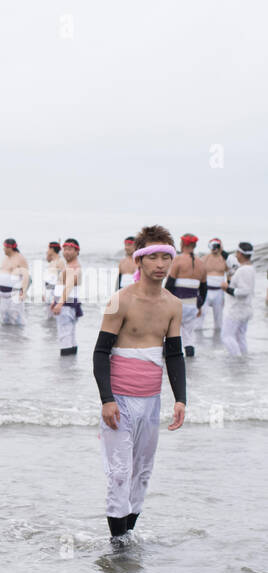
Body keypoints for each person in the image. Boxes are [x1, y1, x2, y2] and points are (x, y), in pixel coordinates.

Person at [92, 224, 186, 541]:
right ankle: (118, 545)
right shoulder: (121, 300)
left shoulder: (173, 304)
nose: (160, 264)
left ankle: (127, 536)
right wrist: (107, 400)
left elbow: (174, 355)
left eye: (166, 257)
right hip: (119, 399)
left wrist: (180, 399)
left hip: (151, 400)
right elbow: (100, 352)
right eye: (153, 257)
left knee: (142, 473)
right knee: (119, 473)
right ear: (139, 260)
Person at [165, 233, 205, 357]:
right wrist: (199, 306)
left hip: (177, 304)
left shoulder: (178, 260)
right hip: (192, 304)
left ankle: (169, 364)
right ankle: (190, 364)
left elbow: (170, 284)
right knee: (189, 337)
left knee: (170, 333)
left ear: (182, 244)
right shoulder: (201, 263)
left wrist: (164, 301)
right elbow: (204, 289)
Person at [222, 242, 257, 356]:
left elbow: (244, 291)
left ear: (241, 254)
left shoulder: (243, 270)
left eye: (237, 252)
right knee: (240, 336)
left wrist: (227, 289)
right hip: (245, 309)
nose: (236, 255)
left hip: (237, 310)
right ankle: (243, 360)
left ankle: (236, 360)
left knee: (226, 336)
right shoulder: (249, 268)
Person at [52, 238, 84, 355]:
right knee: (69, 335)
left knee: (65, 337)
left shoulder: (74, 267)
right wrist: (54, 301)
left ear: (77, 251)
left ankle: (65, 369)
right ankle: (70, 368)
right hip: (65, 303)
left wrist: (59, 303)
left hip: (66, 305)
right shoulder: (69, 265)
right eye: (64, 249)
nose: (66, 252)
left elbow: (69, 286)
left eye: (70, 249)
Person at [0, 238, 29, 325]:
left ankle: (19, 337)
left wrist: (23, 292)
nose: (3, 249)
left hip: (15, 293)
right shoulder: (5, 258)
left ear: (9, 247)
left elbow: (26, 277)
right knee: (4, 318)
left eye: (4, 247)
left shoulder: (20, 258)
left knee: (16, 317)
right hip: (3, 294)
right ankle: (7, 337)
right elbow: (1, 275)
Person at [200, 237, 228, 335]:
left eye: (216, 245)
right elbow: (198, 272)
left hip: (219, 291)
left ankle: (217, 340)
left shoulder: (225, 259)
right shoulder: (205, 258)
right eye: (212, 245)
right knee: (201, 315)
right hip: (206, 290)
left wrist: (228, 283)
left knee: (218, 318)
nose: (214, 248)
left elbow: (232, 272)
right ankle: (198, 339)